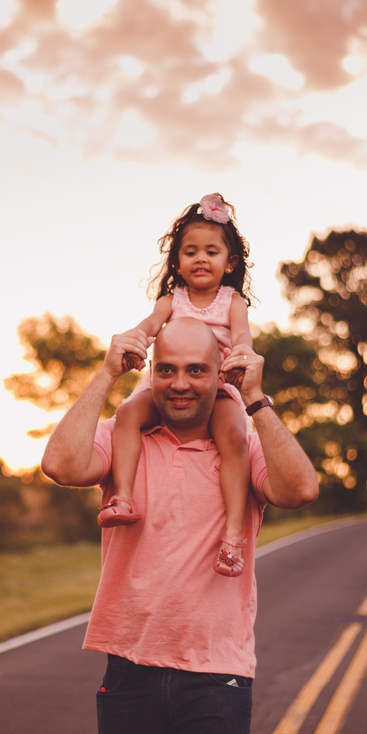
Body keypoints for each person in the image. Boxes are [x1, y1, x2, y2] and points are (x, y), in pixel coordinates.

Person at [41, 315, 319, 734]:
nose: (180, 384)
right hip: (129, 670)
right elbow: (61, 464)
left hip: (216, 676)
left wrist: (254, 398)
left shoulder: (243, 449)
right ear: (150, 371)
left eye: (196, 370)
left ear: (220, 373)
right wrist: (108, 372)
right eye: (166, 370)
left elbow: (299, 490)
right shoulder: (123, 438)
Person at [98, 193, 256, 579]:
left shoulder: (232, 301)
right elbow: (148, 328)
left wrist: (241, 360)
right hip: (169, 384)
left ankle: (232, 536)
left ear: (229, 261)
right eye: (190, 252)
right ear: (178, 263)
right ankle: (123, 497)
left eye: (211, 251)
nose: (200, 259)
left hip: (216, 387)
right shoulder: (172, 300)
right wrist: (133, 341)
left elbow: (243, 339)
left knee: (235, 438)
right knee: (127, 413)